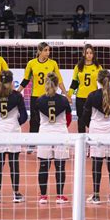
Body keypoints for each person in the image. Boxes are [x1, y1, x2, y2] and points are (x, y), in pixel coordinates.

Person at [83, 70, 110, 204]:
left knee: (97, 163)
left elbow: (84, 117)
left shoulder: (92, 96)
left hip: (97, 131)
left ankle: (96, 195)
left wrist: (90, 125)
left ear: (98, 80)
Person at [0, 71, 28, 203]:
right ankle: (16, 194)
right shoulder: (16, 96)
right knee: (13, 163)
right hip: (13, 131)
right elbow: (24, 116)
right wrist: (16, 123)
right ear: (12, 82)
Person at [36, 73, 72, 204]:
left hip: (45, 133)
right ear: (57, 85)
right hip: (60, 133)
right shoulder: (64, 100)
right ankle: (60, 196)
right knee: (60, 166)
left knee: (43, 166)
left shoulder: (39, 100)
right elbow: (69, 118)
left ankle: (43, 196)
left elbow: (35, 119)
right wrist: (62, 127)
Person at [17, 42, 67, 133]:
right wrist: (17, 92)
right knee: (34, 121)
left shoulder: (53, 63)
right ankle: (32, 143)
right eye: (45, 50)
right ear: (39, 51)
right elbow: (26, 80)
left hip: (48, 96)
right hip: (35, 96)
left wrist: (66, 93)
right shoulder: (31, 63)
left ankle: (48, 141)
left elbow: (59, 80)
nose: (48, 52)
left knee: (47, 120)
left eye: (49, 50)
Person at [68, 44, 102, 133]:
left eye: (91, 53)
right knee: (81, 120)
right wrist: (69, 95)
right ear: (83, 54)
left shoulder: (98, 67)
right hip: (80, 97)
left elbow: (102, 83)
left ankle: (92, 140)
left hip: (93, 97)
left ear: (93, 54)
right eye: (87, 53)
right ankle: (81, 141)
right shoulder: (78, 67)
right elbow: (74, 83)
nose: (89, 55)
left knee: (93, 120)